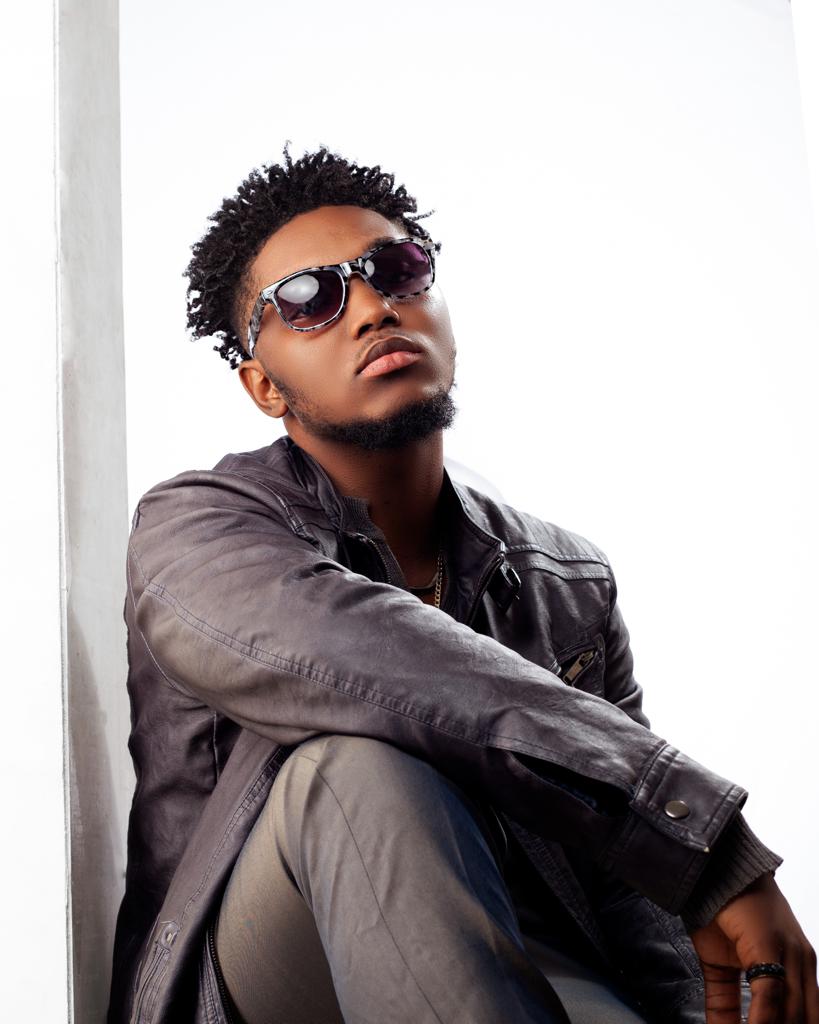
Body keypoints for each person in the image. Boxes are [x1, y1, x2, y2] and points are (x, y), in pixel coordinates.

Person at [107, 143, 817, 1024]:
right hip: (267, 978)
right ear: (263, 386)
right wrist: (697, 839)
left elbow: (628, 899)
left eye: (397, 270)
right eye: (308, 299)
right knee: (356, 767)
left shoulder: (567, 581)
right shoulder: (199, 531)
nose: (371, 308)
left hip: (518, 968)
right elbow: (369, 659)